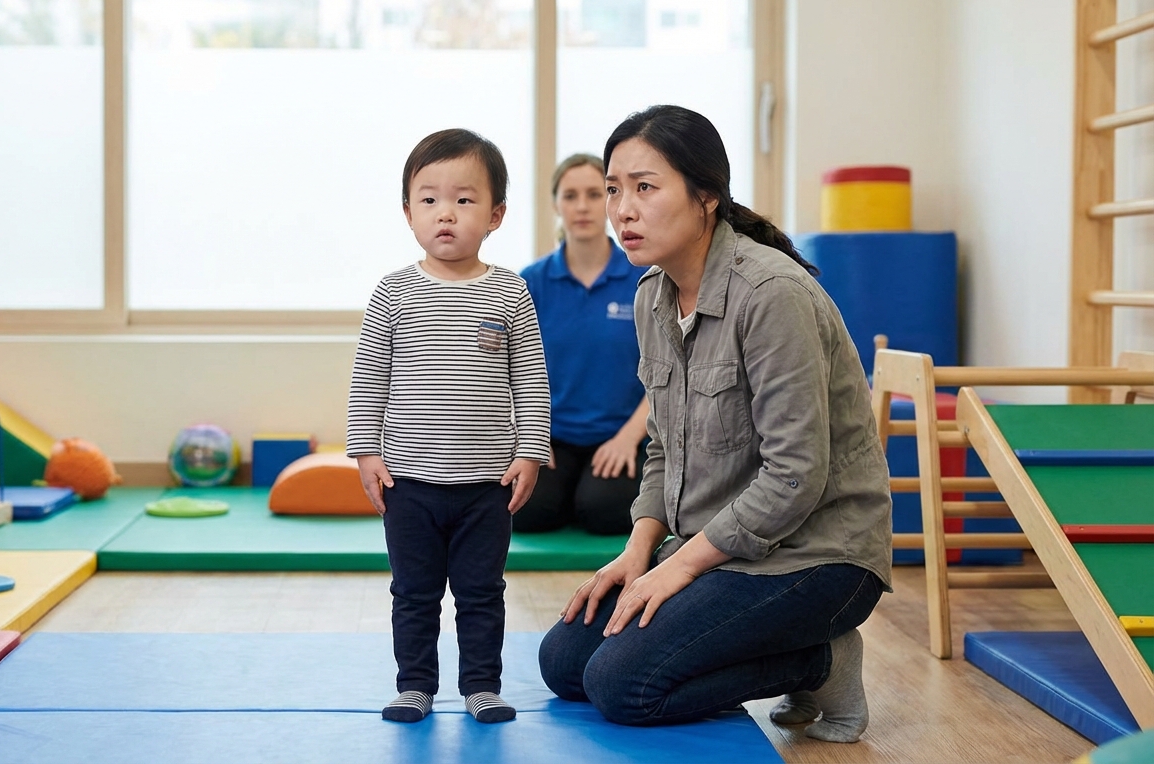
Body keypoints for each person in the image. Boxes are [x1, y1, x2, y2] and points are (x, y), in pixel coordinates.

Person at [536, 105, 892, 743]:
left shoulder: (772, 294)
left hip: (816, 558)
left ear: (706, 196)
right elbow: (662, 448)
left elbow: (794, 476)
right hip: (720, 547)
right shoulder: (652, 295)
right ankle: (776, 642)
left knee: (621, 684)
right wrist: (639, 552)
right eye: (615, 190)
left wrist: (678, 569)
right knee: (565, 662)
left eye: (645, 188)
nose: (622, 210)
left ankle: (821, 659)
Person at [347, 128, 552, 725]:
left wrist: (530, 450)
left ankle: (482, 686)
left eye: (464, 200)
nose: (446, 213)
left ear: (495, 215)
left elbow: (530, 377)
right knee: (413, 594)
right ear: (408, 212)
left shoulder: (509, 291)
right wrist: (365, 452)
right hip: (408, 482)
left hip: (485, 486)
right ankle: (414, 686)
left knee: (482, 593)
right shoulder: (393, 292)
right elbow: (369, 376)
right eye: (430, 199)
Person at [518, 154, 652, 536]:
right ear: (555, 204)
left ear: (612, 201)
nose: (582, 206)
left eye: (595, 194)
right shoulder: (531, 282)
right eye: (570, 195)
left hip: (623, 434)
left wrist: (629, 439)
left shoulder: (644, 278)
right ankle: (569, 491)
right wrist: (529, 438)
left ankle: (582, 494)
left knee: (603, 512)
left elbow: (668, 371)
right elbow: (509, 369)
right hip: (552, 437)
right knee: (527, 513)